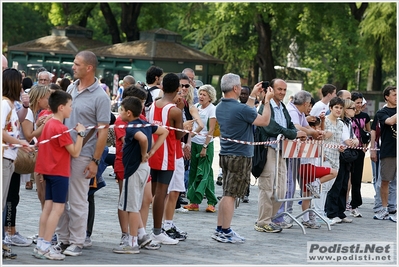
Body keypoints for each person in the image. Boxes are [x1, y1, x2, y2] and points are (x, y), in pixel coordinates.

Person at [56, 51, 110, 257]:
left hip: (83, 154)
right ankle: (63, 239)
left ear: (89, 68)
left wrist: (95, 160)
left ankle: (78, 241)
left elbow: (103, 131)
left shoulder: (101, 97)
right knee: (61, 197)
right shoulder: (71, 87)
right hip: (64, 151)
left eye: (77, 64)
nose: (73, 66)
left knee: (78, 199)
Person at [213, 73, 273, 243]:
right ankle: (226, 230)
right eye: (239, 85)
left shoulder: (220, 106)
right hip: (240, 156)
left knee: (226, 193)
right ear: (235, 88)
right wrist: (266, 101)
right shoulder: (241, 108)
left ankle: (220, 229)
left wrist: (253, 95)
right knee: (231, 195)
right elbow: (264, 121)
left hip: (226, 153)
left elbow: (246, 113)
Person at [33, 90, 86, 260]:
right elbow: (76, 152)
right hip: (59, 173)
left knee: (48, 208)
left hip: (48, 171)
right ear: (61, 107)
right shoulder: (60, 128)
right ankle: (46, 246)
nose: (72, 109)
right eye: (70, 106)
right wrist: (81, 134)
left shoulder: (48, 124)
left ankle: (41, 243)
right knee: (57, 209)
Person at [112, 96, 169, 254]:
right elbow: (164, 132)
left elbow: (143, 139)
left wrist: (145, 152)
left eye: (121, 110)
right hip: (143, 168)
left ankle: (132, 242)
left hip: (134, 168)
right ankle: (140, 236)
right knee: (135, 204)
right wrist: (153, 151)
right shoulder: (145, 123)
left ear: (129, 113)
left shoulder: (131, 127)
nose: (120, 113)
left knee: (131, 206)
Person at [254, 79, 306, 233]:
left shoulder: (282, 106)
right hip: (268, 150)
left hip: (282, 151)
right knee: (267, 187)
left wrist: (294, 133)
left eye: (284, 90)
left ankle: (270, 219)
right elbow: (271, 127)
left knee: (281, 190)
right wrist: (294, 133)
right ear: (271, 89)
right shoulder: (265, 105)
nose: (282, 92)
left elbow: (288, 124)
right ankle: (262, 221)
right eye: (279, 89)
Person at [4, 85, 52, 248]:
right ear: (40, 99)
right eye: (47, 98)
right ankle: (10, 231)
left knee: (11, 195)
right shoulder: (29, 113)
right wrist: (44, 126)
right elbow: (29, 135)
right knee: (11, 196)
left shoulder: (32, 113)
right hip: (17, 155)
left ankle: (10, 231)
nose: (49, 101)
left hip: (16, 155)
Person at [147, 73, 187, 245]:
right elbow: (178, 135)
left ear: (162, 87)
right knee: (161, 194)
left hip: (152, 152)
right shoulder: (175, 111)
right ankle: (157, 231)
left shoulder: (153, 105)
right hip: (166, 154)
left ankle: (149, 229)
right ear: (178, 88)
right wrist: (185, 124)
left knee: (153, 193)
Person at [2, 68, 33, 259]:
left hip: (9, 157)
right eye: (19, 82)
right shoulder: (5, 104)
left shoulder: (10, 105)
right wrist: (19, 142)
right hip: (4, 156)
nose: (22, 86)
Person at [184, 84, 218, 212]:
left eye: (204, 94)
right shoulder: (196, 107)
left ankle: (211, 202)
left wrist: (205, 146)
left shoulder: (212, 109)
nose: (201, 96)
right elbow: (193, 126)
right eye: (200, 94)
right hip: (194, 143)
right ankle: (193, 201)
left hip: (206, 144)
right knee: (193, 172)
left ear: (210, 97)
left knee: (206, 173)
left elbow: (211, 129)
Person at [325, 98, 358, 224]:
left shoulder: (342, 123)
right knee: (331, 187)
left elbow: (353, 140)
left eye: (341, 107)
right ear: (331, 108)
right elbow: (347, 140)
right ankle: (330, 212)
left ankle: (339, 211)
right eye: (336, 107)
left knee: (342, 185)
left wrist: (350, 142)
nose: (339, 110)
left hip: (338, 157)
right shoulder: (327, 120)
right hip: (328, 156)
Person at [374, 86, 397, 222]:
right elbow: (390, 121)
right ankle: (383, 209)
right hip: (389, 151)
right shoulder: (382, 112)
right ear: (386, 97)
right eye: (394, 94)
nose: (397, 97)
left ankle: (394, 208)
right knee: (385, 181)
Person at [347, 91, 371, 217]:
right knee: (346, 177)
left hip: (360, 149)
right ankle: (344, 202)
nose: (360, 105)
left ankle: (355, 204)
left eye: (361, 103)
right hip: (348, 148)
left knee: (356, 178)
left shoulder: (365, 116)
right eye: (357, 103)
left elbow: (368, 131)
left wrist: (366, 145)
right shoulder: (347, 116)